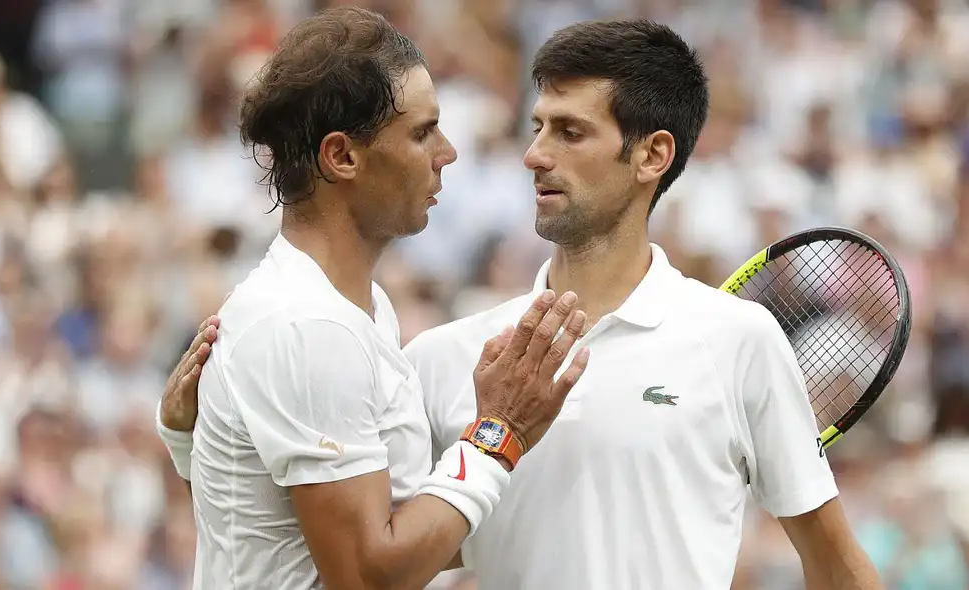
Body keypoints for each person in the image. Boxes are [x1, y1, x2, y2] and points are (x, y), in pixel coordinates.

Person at [163, 17, 885, 590]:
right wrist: (500, 431)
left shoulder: (738, 339)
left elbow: (834, 561)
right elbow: (368, 553)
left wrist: (199, 441)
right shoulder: (442, 358)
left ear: (653, 155)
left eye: (569, 132)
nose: (535, 153)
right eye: (537, 126)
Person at [154, 7, 592, 590]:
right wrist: (499, 432)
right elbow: (365, 576)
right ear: (342, 156)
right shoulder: (308, 325)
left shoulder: (352, 309)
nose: (447, 152)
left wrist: (191, 447)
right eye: (421, 133)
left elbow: (270, 525)